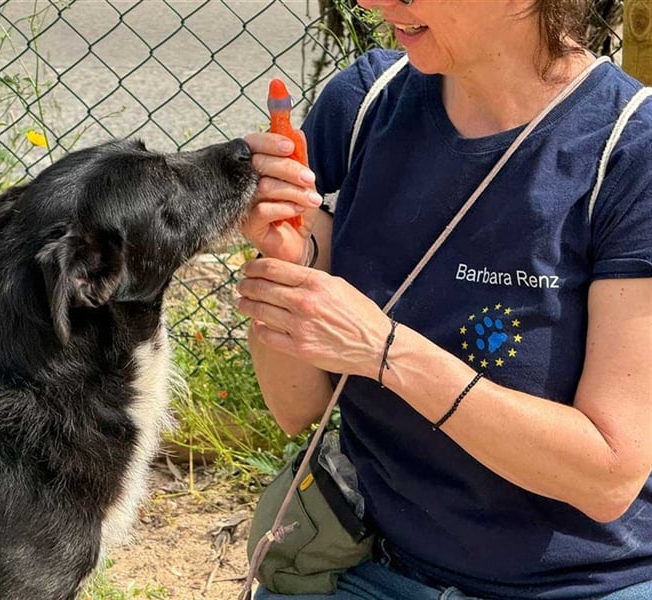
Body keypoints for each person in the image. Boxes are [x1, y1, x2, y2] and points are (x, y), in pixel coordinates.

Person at [235, 0, 652, 598]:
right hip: (368, 560)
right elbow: (297, 407)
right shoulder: (364, 103)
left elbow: (607, 477)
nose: (370, 4)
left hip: (576, 584)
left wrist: (386, 352)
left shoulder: (630, 151)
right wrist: (286, 258)